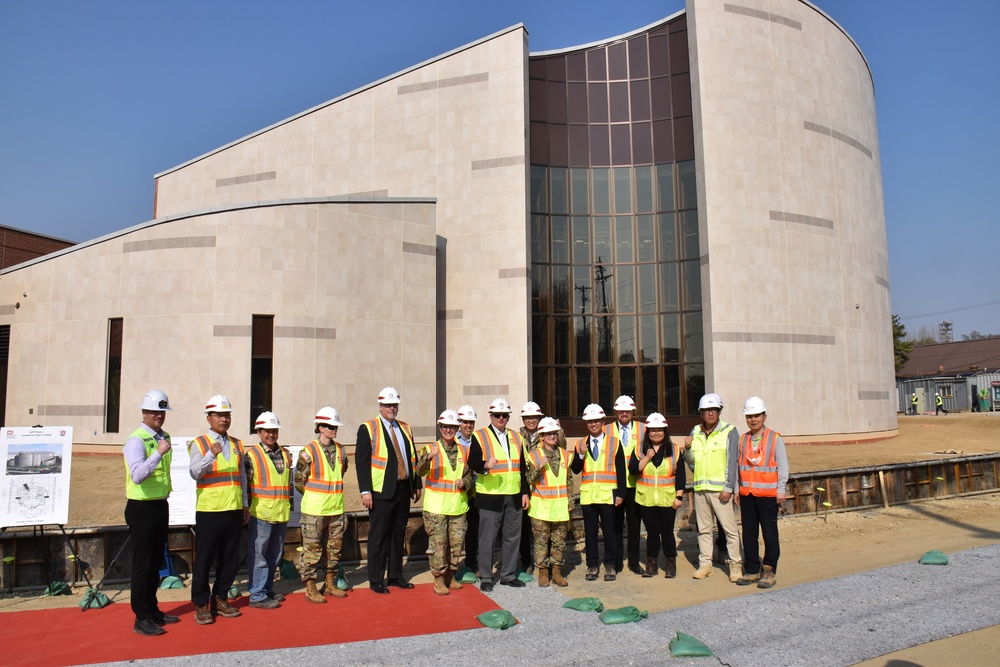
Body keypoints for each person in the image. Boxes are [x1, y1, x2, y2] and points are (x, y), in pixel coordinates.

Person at [355, 387, 422, 594]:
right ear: (380, 406)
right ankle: (376, 579)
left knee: (397, 534)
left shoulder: (404, 427)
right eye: (388, 405)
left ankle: (395, 576)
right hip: (380, 491)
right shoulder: (368, 427)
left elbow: (412, 458)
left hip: (403, 489)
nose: (392, 408)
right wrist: (365, 490)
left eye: (395, 405)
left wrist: (416, 483)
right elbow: (361, 462)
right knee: (379, 536)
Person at [123, 390, 178, 636]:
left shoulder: (163, 436)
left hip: (159, 505)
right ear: (144, 413)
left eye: (162, 412)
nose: (159, 416)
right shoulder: (136, 440)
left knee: (156, 562)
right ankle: (141, 617)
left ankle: (153, 609)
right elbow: (136, 476)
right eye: (154, 412)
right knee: (143, 565)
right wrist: (158, 453)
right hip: (141, 507)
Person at [189, 394, 248, 624]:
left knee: (230, 559)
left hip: (233, 509)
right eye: (219, 415)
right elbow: (195, 472)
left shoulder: (236, 444)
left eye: (227, 415)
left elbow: (241, 476)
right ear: (209, 418)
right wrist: (210, 455)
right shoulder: (200, 443)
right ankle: (201, 604)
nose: (224, 419)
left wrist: (244, 504)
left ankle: (221, 598)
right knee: (204, 559)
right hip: (210, 510)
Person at [467, 397, 528, 592]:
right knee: (488, 538)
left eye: (504, 415)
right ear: (491, 416)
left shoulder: (517, 437)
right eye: (497, 415)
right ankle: (486, 576)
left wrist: (525, 493)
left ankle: (508, 575)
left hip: (514, 494)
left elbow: (523, 468)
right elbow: (472, 461)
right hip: (490, 495)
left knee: (512, 537)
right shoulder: (480, 435)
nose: (501, 418)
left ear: (508, 416)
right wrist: (484, 465)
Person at [683, 393, 743, 582]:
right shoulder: (695, 431)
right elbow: (691, 462)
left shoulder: (729, 431)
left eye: (713, 410)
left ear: (719, 411)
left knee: (730, 529)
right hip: (701, 489)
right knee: (704, 530)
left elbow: (733, 461)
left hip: (720, 491)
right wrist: (686, 449)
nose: (710, 413)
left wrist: (729, 488)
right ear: (701, 413)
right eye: (706, 410)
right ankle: (705, 564)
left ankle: (735, 565)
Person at [296, 406, 350, 603]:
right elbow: (299, 481)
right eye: (329, 426)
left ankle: (329, 583)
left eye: (335, 426)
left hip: (335, 509)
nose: (333, 429)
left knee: (333, 550)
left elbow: (340, 473)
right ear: (320, 428)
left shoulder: (341, 450)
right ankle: (310, 587)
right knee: (312, 551)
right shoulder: (308, 451)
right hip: (314, 511)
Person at [416, 410, 473, 595]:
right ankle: (439, 579)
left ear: (457, 428)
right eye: (445, 426)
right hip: (436, 508)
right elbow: (419, 471)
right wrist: (428, 458)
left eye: (452, 427)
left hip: (457, 506)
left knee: (456, 544)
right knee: (438, 546)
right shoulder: (430, 449)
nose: (448, 430)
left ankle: (451, 574)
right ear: (440, 428)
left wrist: (465, 483)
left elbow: (471, 475)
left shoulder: (465, 450)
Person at [735, 396, 788, 589]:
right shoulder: (743, 439)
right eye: (749, 416)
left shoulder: (775, 439)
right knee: (749, 533)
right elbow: (737, 465)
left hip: (768, 495)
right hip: (747, 494)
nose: (753, 419)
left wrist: (781, 490)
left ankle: (768, 569)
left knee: (769, 533)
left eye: (757, 415)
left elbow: (783, 467)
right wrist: (736, 489)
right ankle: (751, 569)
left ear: (764, 416)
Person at [244, 411, 293, 610]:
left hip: (280, 512)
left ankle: (266, 588)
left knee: (274, 555)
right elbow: (245, 486)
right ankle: (257, 594)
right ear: (259, 431)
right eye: (267, 431)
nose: (271, 434)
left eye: (274, 430)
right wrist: (245, 508)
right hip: (262, 514)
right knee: (260, 557)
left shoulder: (284, 453)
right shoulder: (252, 455)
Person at [571, 403, 625, 581]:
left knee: (609, 532)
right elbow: (576, 469)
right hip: (588, 496)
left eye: (596, 421)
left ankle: (610, 565)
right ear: (586, 423)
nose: (593, 424)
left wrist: (621, 494)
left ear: (602, 421)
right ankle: (592, 565)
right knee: (590, 533)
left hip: (607, 494)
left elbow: (621, 471)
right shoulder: (581, 443)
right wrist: (579, 455)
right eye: (589, 421)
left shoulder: (614, 443)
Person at [629, 413, 684, 578]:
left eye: (659, 429)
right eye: (652, 430)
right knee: (652, 533)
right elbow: (633, 470)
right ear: (647, 432)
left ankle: (670, 564)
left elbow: (680, 476)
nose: (656, 433)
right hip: (646, 500)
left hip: (668, 499)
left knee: (667, 533)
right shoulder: (640, 448)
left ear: (665, 431)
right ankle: (651, 565)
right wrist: (646, 458)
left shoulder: (674, 449)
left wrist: (679, 497)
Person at [524, 417, 570, 587]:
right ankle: (543, 573)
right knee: (541, 543)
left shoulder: (565, 454)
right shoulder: (534, 455)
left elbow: (569, 481)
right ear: (541, 436)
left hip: (560, 507)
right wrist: (539, 467)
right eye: (547, 433)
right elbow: (528, 479)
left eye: (554, 433)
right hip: (541, 508)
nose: (551, 436)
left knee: (559, 543)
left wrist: (570, 503)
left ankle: (557, 572)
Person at [609, 395, 644, 575]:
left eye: (627, 411)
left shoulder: (643, 429)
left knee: (634, 525)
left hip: (635, 484)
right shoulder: (606, 429)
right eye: (621, 411)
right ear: (615, 412)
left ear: (633, 411)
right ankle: (616, 561)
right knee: (615, 525)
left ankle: (634, 561)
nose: (624, 413)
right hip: (614, 485)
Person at [517, 401, 544, 574]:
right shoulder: (517, 436)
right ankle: (526, 561)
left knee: (542, 528)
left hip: (542, 485)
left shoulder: (547, 433)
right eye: (528, 417)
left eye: (534, 417)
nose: (531, 421)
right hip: (524, 485)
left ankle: (543, 563)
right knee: (523, 527)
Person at [456, 405, 479, 575]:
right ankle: (453, 565)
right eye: (465, 422)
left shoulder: (478, 440)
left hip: (475, 492)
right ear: (459, 423)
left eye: (471, 422)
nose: (468, 425)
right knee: (456, 531)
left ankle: (471, 562)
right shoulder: (452, 441)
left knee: (473, 530)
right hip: (457, 492)